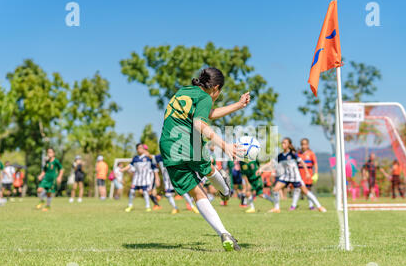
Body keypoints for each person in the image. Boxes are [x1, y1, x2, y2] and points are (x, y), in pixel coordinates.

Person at [159, 67, 250, 251]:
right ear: (216, 87)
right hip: (187, 142)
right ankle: (225, 189)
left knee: (197, 194)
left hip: (168, 146)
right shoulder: (206, 97)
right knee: (208, 168)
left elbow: (207, 113)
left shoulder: (184, 91)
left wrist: (238, 105)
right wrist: (225, 146)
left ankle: (224, 233)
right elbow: (200, 123)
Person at [258, 138, 326, 213]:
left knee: (305, 191)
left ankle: (319, 206)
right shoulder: (281, 155)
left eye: (285, 143)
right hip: (286, 176)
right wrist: (261, 169)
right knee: (275, 189)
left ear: (289, 145)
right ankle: (276, 208)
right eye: (282, 143)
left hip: (295, 177)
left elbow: (302, 162)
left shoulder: (293, 154)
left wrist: (307, 172)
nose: (283, 144)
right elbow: (271, 163)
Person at [121, 143, 159, 212]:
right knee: (132, 191)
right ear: (137, 149)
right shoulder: (135, 158)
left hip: (145, 179)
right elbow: (130, 166)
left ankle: (148, 207)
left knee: (145, 192)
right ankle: (130, 205)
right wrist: (123, 169)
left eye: (142, 148)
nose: (140, 149)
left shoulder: (148, 157)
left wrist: (156, 178)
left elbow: (154, 165)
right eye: (139, 148)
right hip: (136, 179)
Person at [298, 138, 319, 210]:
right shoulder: (299, 153)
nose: (303, 146)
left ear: (307, 145)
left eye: (305, 144)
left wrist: (316, 173)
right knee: (298, 189)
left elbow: (315, 163)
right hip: (300, 174)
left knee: (308, 189)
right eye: (302, 144)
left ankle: (311, 205)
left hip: (308, 174)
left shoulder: (311, 153)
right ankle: (293, 205)